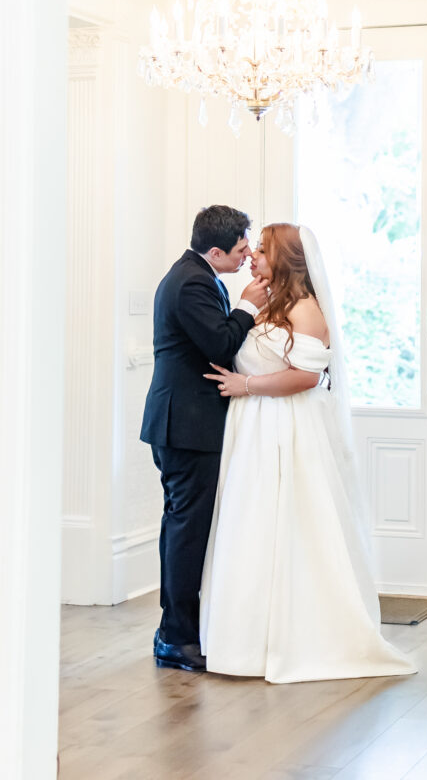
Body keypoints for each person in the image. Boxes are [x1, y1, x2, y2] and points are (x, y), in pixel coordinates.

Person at [201, 223, 417, 683]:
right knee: (252, 525)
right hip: (253, 427)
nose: (252, 255)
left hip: (288, 425)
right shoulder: (265, 304)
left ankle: (300, 636)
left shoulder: (306, 309)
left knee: (292, 524)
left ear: (286, 259)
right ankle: (245, 642)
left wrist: (246, 384)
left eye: (261, 249)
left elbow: (307, 376)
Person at [140, 205, 268, 672]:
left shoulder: (195, 273)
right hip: (187, 427)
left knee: (184, 526)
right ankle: (175, 637)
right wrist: (249, 306)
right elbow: (219, 343)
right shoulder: (192, 282)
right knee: (186, 529)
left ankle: (176, 629)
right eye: (239, 250)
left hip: (187, 424)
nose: (246, 256)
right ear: (215, 251)